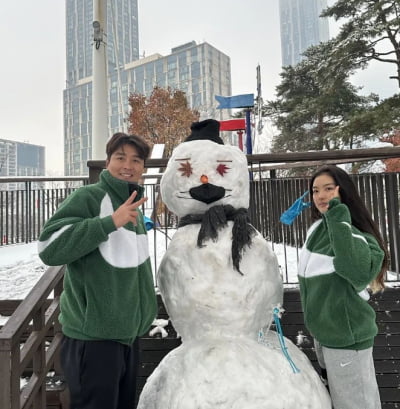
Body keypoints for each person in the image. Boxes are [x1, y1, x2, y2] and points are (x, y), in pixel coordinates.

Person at [38, 132, 158, 409]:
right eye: (120, 157)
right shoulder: (89, 197)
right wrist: (108, 223)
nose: (127, 165)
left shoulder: (134, 207)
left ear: (143, 167)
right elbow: (49, 247)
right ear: (107, 162)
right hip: (93, 340)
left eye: (136, 160)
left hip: (127, 335)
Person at [298, 165, 388, 409]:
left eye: (329, 188)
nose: (321, 196)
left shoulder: (354, 234)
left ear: (344, 191)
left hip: (347, 339)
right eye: (315, 190)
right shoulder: (318, 230)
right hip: (326, 336)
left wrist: (339, 219)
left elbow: (357, 272)